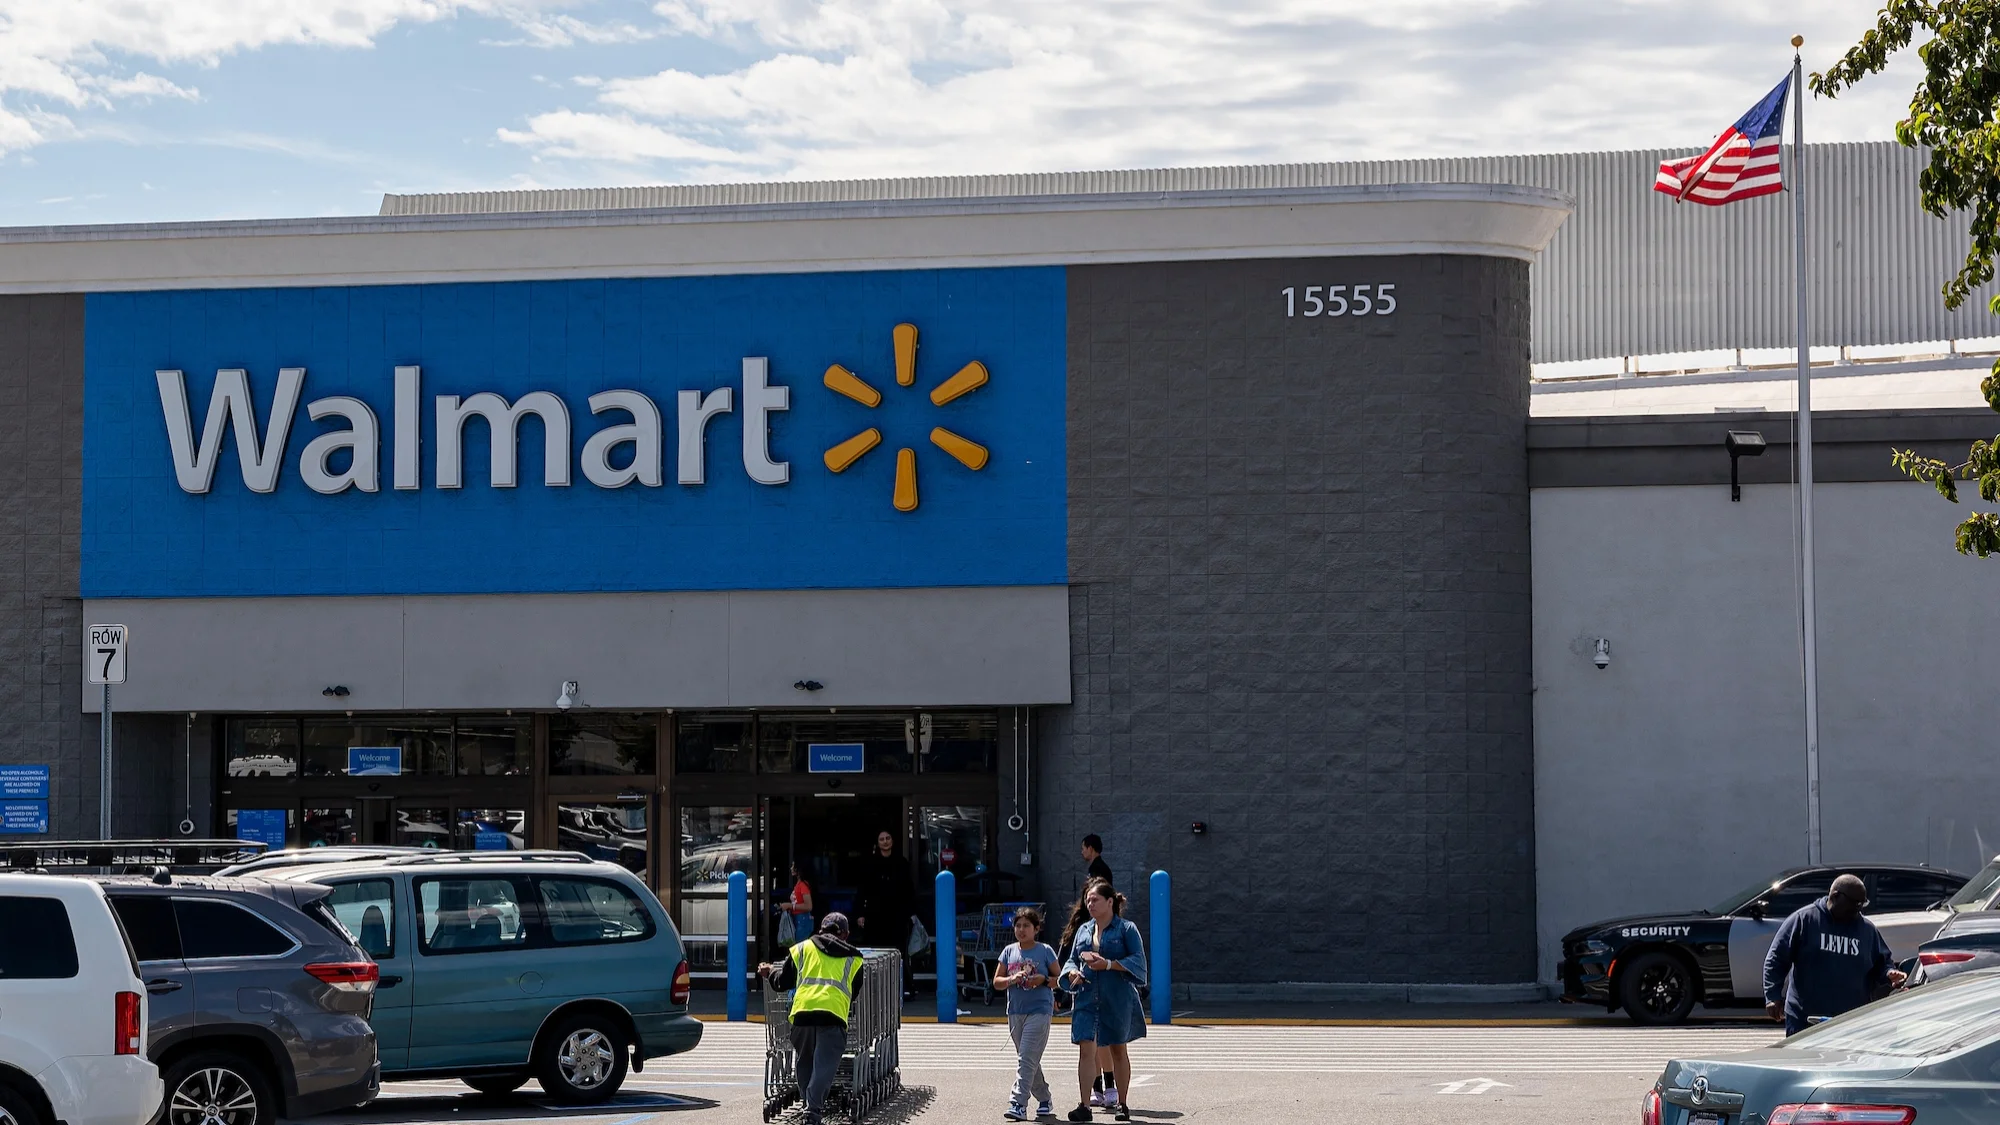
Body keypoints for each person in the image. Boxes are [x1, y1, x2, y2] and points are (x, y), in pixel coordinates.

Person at [1762, 873, 1905, 1035]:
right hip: (1804, 1020)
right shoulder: (1805, 920)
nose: (1858, 909)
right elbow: (1776, 959)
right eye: (1853, 903)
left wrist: (1889, 973)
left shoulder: (1867, 929)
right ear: (1835, 896)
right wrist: (1773, 996)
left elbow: (1882, 962)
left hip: (1850, 1023)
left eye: (1861, 904)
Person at [759, 912, 864, 1125]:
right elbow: (854, 993)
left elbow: (782, 982)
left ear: (820, 929)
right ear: (845, 934)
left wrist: (769, 971)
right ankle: (812, 1110)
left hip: (802, 1014)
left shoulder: (802, 949)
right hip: (833, 1015)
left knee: (805, 1060)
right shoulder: (854, 958)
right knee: (824, 1066)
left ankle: (809, 1106)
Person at [1060, 879, 1146, 1123]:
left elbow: (1139, 961)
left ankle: (1123, 1103)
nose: (1090, 903)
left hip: (1116, 997)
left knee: (1118, 1048)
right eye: (1088, 899)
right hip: (1087, 996)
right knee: (1086, 1049)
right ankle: (1084, 1105)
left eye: (1095, 899)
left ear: (1110, 902)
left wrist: (1108, 964)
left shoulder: (1126, 929)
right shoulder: (1084, 930)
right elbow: (1072, 959)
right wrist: (1072, 973)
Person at [995, 907, 1059, 1121]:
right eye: (1018, 926)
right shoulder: (1008, 951)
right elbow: (997, 982)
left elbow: (1060, 979)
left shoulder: (1045, 951)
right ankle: (1044, 1098)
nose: (1021, 930)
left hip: (1039, 1010)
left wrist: (1043, 979)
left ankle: (1018, 1103)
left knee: (1026, 1059)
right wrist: (1012, 979)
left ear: (1036, 929)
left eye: (1026, 926)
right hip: (1015, 1012)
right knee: (1029, 1059)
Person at [855, 829, 915, 998]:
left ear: (892, 841)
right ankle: (874, 989)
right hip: (875, 917)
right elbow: (862, 891)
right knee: (875, 953)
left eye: (888, 838)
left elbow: (909, 891)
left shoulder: (901, 863)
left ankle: (899, 989)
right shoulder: (870, 864)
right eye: (882, 839)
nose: (885, 841)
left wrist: (909, 913)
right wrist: (859, 913)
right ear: (878, 842)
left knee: (897, 953)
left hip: (897, 917)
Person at [1076, 835, 1113, 1104]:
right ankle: (1100, 1088)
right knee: (1096, 1037)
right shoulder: (1103, 869)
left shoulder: (1096, 871)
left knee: (1101, 1036)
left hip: (1099, 976)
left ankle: (1106, 1087)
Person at [780, 861, 814, 944]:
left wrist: (790, 906)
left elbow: (808, 906)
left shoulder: (803, 885)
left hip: (802, 921)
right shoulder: (799, 884)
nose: (791, 868)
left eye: (793, 866)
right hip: (798, 919)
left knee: (800, 948)